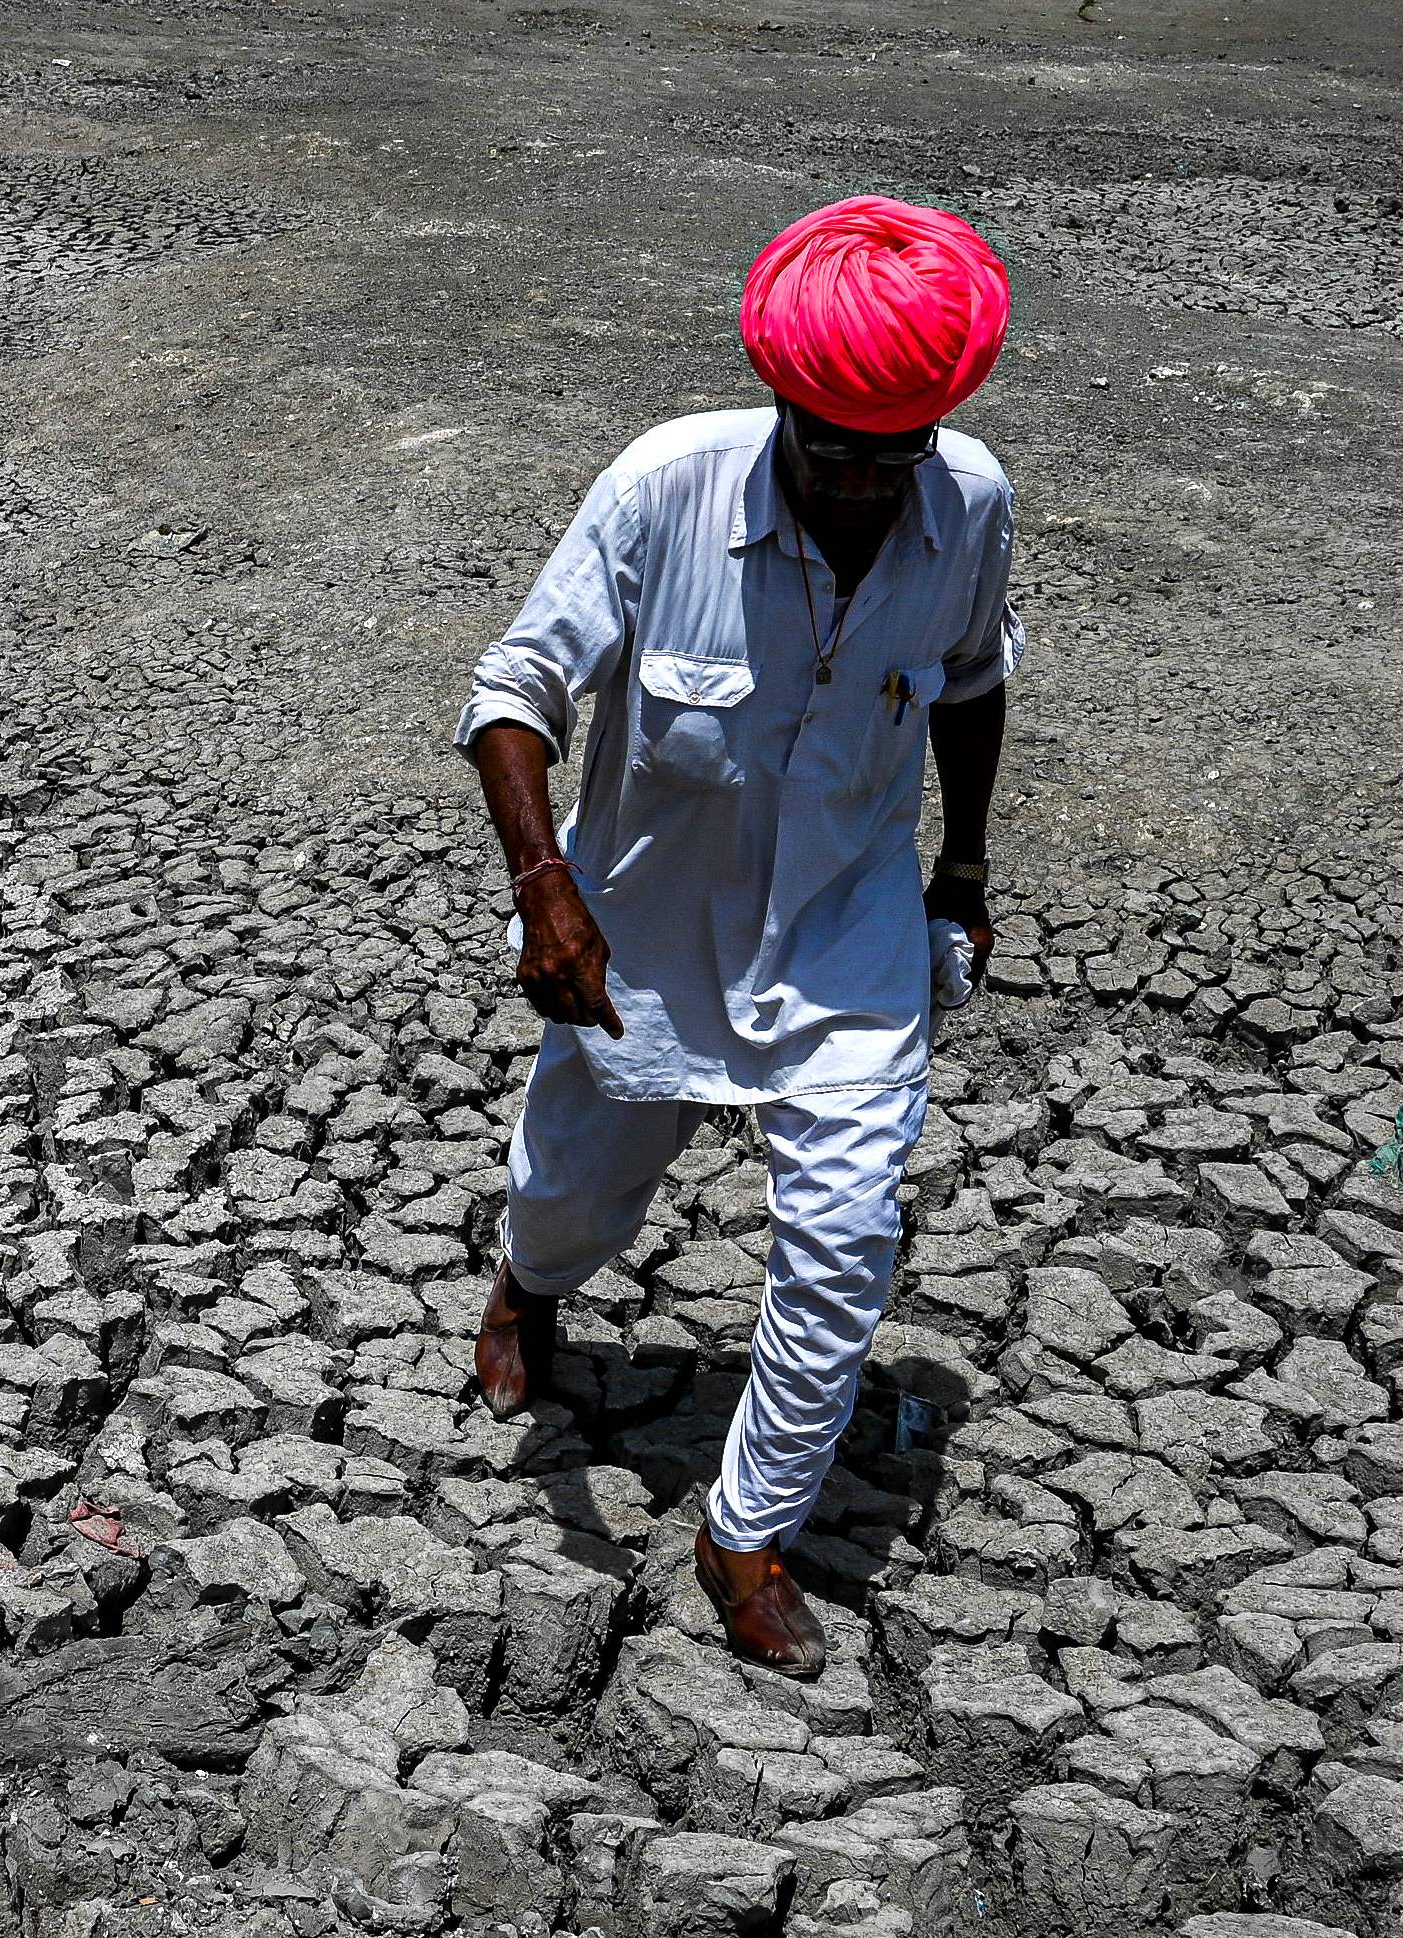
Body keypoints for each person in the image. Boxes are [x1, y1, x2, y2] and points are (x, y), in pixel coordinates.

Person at [457, 194, 1020, 1679]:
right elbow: (515, 690)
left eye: (888, 457)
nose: (858, 484)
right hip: (644, 932)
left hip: (847, 938)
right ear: (780, 401)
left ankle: (746, 1529)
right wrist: (547, 888)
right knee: (578, 1194)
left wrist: (959, 869)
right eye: (829, 449)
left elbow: (967, 684)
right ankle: (526, 1283)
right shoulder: (664, 488)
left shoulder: (968, 506)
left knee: (843, 1241)